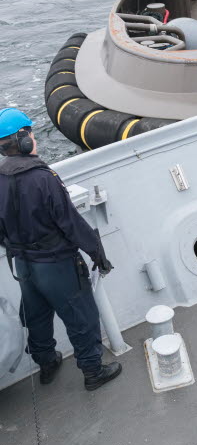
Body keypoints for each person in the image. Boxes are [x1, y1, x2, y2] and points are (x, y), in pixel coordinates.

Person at [0, 109, 122, 390]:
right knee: (81, 315)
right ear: (24, 140)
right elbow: (70, 223)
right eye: (30, 132)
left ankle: (46, 363)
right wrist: (97, 253)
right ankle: (93, 371)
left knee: (37, 315)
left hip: (24, 265)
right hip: (56, 263)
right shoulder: (44, 178)